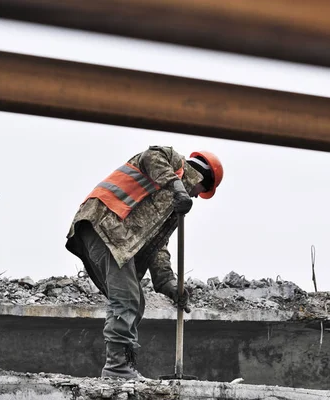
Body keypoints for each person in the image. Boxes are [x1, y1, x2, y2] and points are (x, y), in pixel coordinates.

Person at [65, 145, 223, 380]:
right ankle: (116, 368)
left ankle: (121, 365)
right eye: (201, 190)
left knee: (134, 301)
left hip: (116, 238)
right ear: (201, 177)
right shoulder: (173, 162)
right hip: (105, 221)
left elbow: (158, 246)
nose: (197, 195)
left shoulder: (173, 209)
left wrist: (167, 282)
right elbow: (151, 156)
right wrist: (177, 186)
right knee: (127, 298)